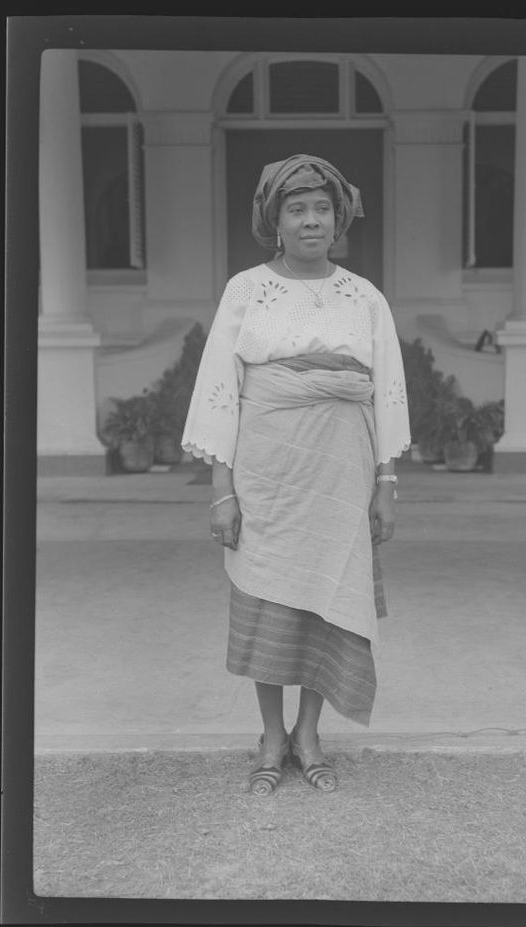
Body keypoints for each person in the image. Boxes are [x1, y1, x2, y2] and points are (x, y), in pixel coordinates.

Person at [182, 154, 411, 795]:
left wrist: (386, 484)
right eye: (297, 209)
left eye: (322, 209)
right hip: (267, 476)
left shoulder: (365, 297)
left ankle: (309, 733)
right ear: (274, 221)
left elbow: (388, 393)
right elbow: (220, 389)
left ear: (339, 219)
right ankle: (271, 734)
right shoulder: (246, 290)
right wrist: (222, 492)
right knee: (267, 597)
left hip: (342, 475)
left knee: (329, 597)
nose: (312, 221)